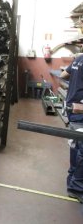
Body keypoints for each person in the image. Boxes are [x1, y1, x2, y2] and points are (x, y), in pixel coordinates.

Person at [60, 54, 83, 203]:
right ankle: (77, 187)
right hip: (80, 111)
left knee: (76, 146)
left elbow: (63, 75)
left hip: (72, 109)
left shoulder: (79, 58)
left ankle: (71, 180)